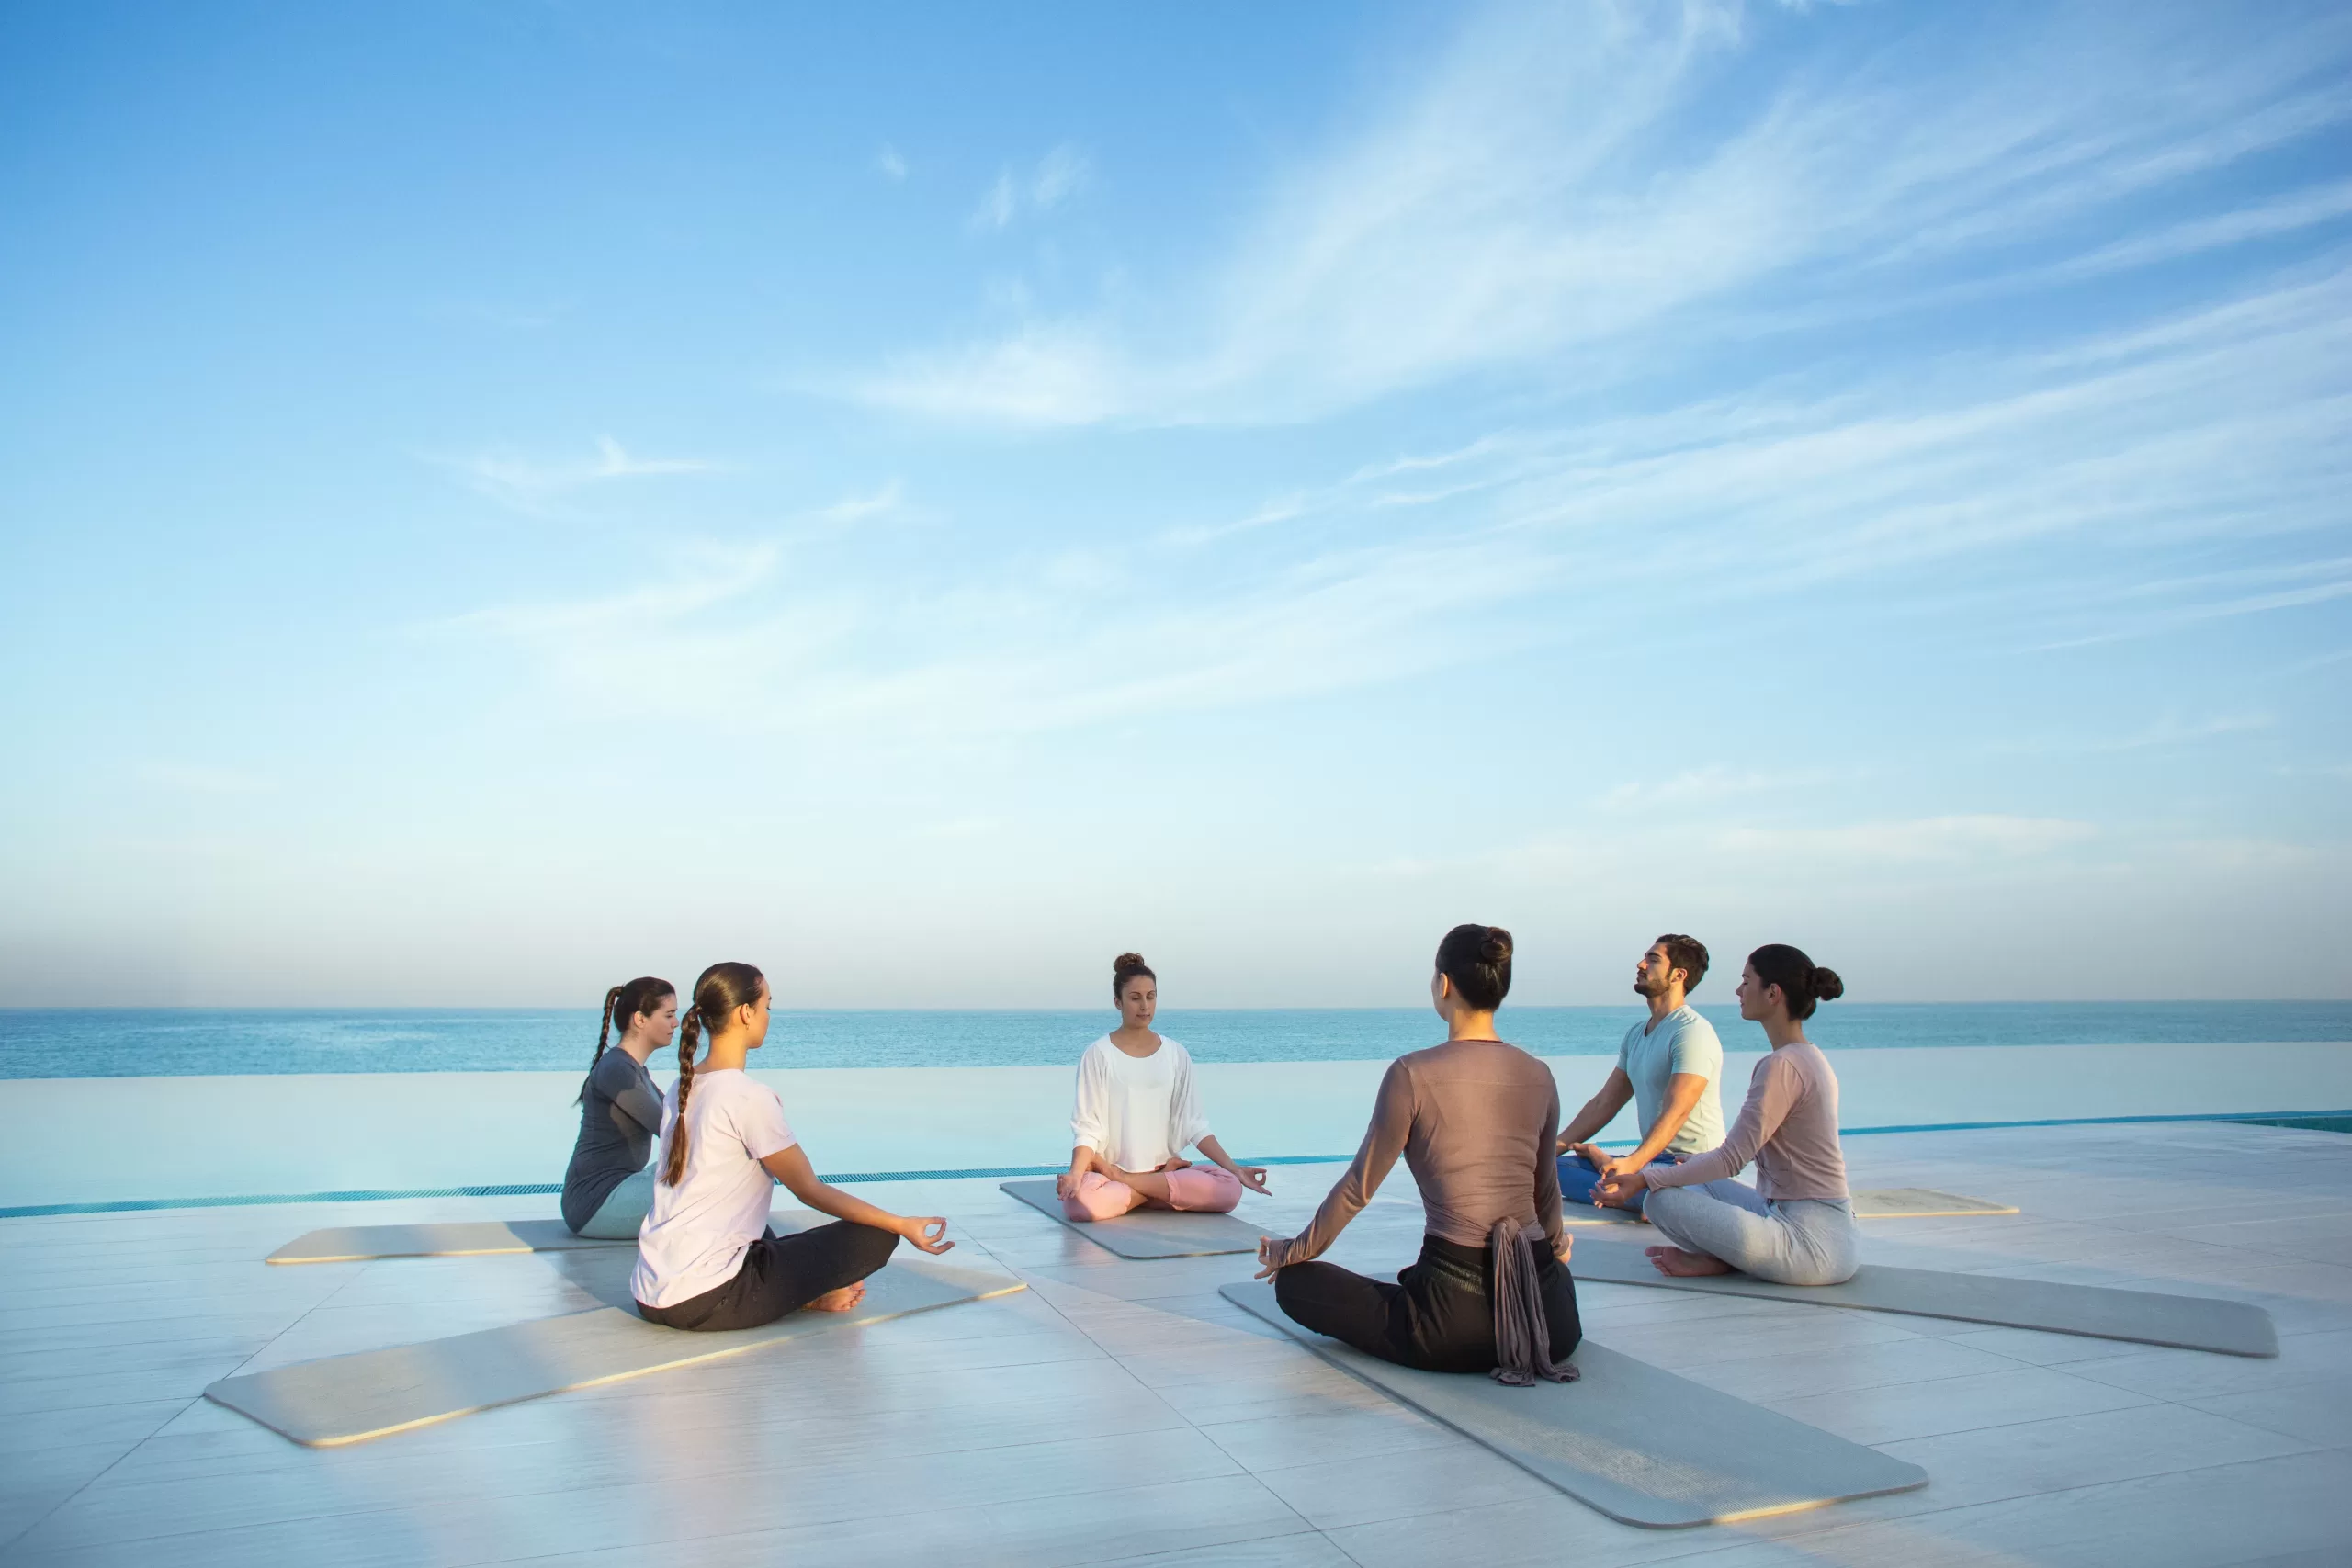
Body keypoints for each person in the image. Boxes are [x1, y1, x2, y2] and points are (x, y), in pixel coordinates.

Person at [1256, 925, 1580, 1383]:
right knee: (1557, 1277)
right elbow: (1545, 1191)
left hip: (1449, 1325)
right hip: (1548, 1322)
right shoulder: (1540, 1074)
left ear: (1443, 984)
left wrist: (1290, 1252)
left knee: (1297, 1285)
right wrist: (1552, 1255)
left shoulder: (1412, 1073)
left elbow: (1357, 1189)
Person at [631, 962, 956, 1331]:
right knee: (876, 1236)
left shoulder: (680, 1088)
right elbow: (809, 1190)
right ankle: (810, 1294)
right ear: (745, 1013)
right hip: (706, 1300)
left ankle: (809, 1293)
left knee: (760, 1232)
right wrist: (901, 1224)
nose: (768, 1015)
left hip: (651, 1292)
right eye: (767, 1005)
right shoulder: (748, 1098)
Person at [1596, 944, 1858, 1286]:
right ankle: (1725, 1258)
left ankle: (1725, 1259)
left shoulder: (1782, 1066)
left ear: (1773, 993)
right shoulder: (1808, 1057)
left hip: (1813, 1246)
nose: (1738, 990)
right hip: (1809, 1224)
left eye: (1746, 981)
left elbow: (1732, 1159)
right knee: (1690, 1176)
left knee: (1660, 1200)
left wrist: (1644, 1178)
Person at [1057, 953, 1271, 1221]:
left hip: (1165, 1171)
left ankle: (1135, 1190)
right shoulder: (1099, 1054)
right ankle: (1152, 1191)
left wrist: (1237, 1170)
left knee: (1230, 1190)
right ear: (1118, 1002)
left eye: (1151, 996)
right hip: (1109, 1172)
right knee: (1081, 1205)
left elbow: (1194, 1125)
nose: (1144, 1005)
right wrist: (1076, 1175)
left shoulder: (1176, 1053)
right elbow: (1088, 1127)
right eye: (1135, 998)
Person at [1555, 935, 1724, 1217]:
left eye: (1653, 959)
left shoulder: (1692, 1032)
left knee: (1656, 1193)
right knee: (1551, 1172)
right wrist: (1549, 1151)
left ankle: (1644, 1190)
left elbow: (1676, 1112)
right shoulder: (1636, 1034)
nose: (1641, 964)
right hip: (1653, 1161)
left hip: (1693, 1167)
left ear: (1678, 975)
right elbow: (1605, 1103)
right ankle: (1641, 1191)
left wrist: (1632, 1166)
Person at [561, 976, 677, 1237]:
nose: (676, 1023)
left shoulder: (635, 1070)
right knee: (706, 1182)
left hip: (619, 1191)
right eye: (669, 1015)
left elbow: (680, 1118)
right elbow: (672, 1130)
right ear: (640, 1019)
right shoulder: (618, 1070)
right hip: (595, 1203)